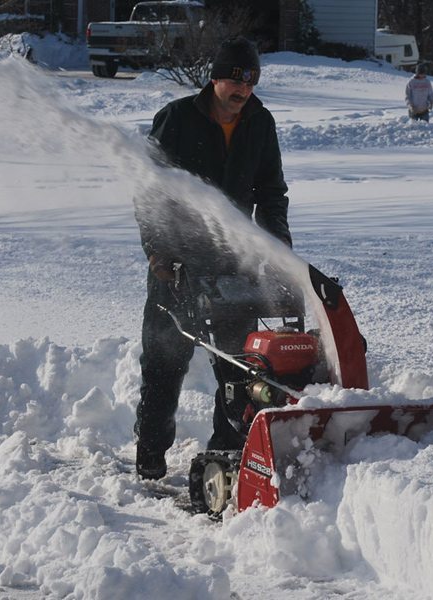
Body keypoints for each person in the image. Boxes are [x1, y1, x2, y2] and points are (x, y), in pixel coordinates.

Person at [132, 38, 291, 480]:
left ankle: (223, 458)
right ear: (215, 78)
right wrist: (158, 251)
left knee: (239, 368)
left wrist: (278, 254)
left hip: (232, 264)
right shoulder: (177, 118)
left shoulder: (260, 122)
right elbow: (149, 191)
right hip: (177, 263)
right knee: (165, 361)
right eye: (236, 79)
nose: (244, 89)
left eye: (252, 80)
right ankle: (150, 456)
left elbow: (272, 194)